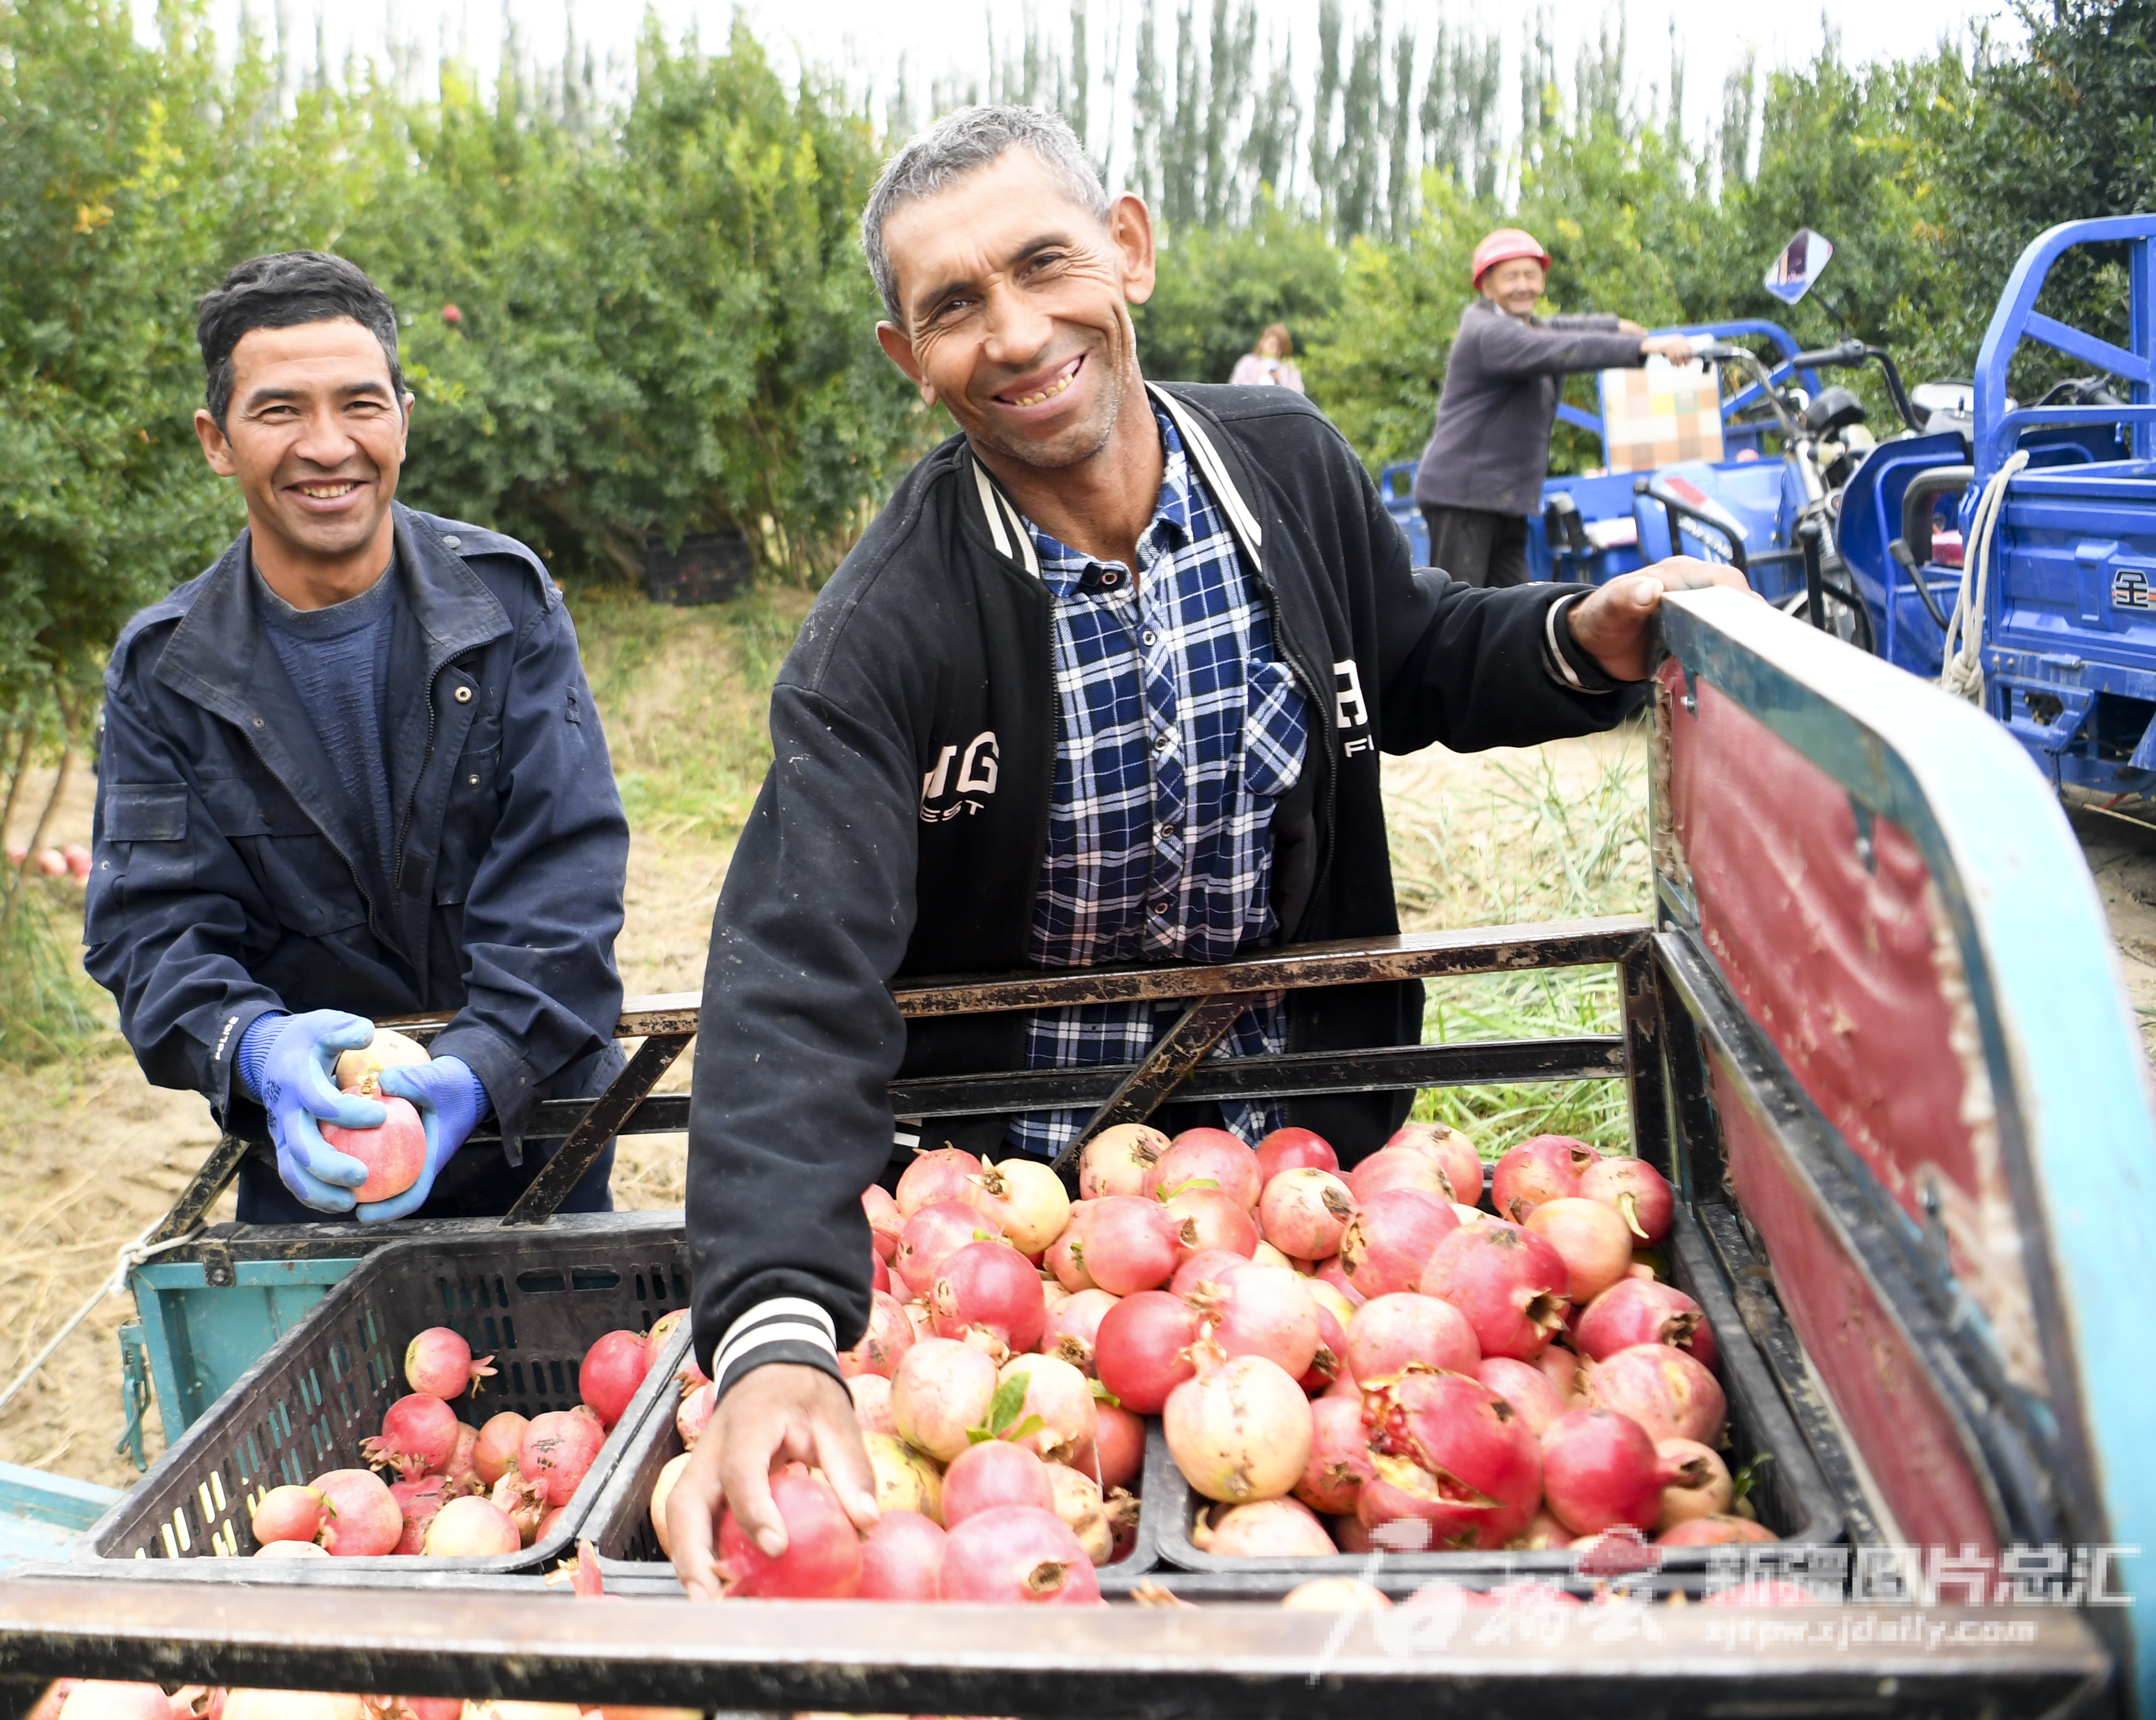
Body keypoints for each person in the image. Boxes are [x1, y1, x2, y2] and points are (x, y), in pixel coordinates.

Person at [659, 107, 1749, 1592]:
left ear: (1128, 248)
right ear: (905, 358)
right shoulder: (883, 634)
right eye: (953, 307)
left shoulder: (1284, 468)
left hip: (1323, 1215)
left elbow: (1415, 648)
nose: (1016, 331)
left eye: (1044, 264)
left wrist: (1571, 636)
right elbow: (793, 967)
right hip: (1027, 1271)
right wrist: (779, 1325)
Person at [82, 251, 629, 1224]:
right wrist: (255, 1049)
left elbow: (565, 876)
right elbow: (151, 933)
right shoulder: (166, 669)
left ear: (404, 421)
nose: (327, 445)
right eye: (280, 410)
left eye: (360, 405)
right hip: (313, 1148)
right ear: (217, 440)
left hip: (532, 1124)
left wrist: (476, 1068)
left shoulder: (504, 605)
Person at [1415, 227, 1698, 588]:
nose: (1523, 286)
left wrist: (1618, 327)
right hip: (1464, 498)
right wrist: (1643, 348)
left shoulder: (1523, 325)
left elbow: (1561, 328)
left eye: (1531, 275)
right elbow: (1562, 347)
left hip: (1503, 498)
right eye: (1511, 277)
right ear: (1487, 287)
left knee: (1508, 608)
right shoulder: (1487, 332)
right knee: (1459, 606)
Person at [1228, 322, 1305, 393]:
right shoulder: (1248, 362)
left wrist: (1280, 380)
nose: (1275, 351)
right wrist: (1255, 378)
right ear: (1263, 342)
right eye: (1272, 346)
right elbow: (1233, 388)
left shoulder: (1288, 366)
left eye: (1279, 348)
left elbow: (1299, 392)